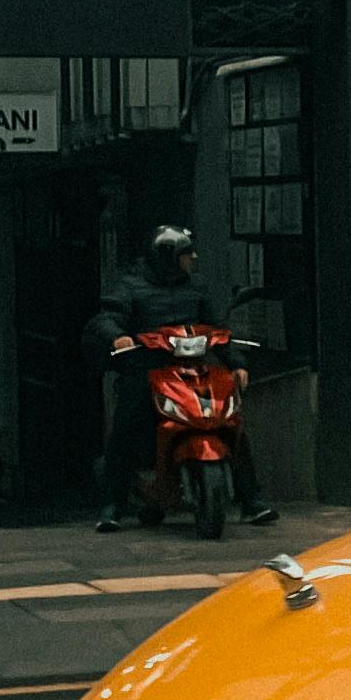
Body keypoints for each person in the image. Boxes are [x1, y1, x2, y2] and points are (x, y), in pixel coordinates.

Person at [88, 222, 276, 532]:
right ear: (168, 257)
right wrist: (118, 336)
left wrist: (236, 363)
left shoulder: (196, 286)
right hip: (147, 369)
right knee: (127, 426)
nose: (191, 260)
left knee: (230, 421)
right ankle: (113, 505)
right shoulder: (130, 286)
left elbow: (216, 327)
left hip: (191, 367)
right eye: (186, 255)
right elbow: (107, 317)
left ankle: (251, 499)